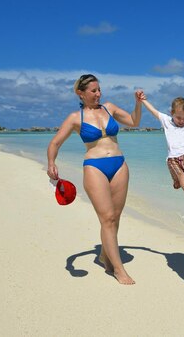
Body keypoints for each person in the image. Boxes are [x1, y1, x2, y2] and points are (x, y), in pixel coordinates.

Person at [47, 74, 144, 285]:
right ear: (80, 93)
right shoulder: (75, 117)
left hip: (119, 165)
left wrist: (138, 104)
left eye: (99, 89)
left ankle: (104, 256)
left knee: (115, 218)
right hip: (94, 167)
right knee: (107, 218)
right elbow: (55, 143)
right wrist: (51, 163)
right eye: (93, 91)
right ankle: (118, 269)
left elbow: (134, 122)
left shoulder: (109, 107)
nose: (98, 94)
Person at [140, 94, 184, 204]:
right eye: (178, 118)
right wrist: (143, 100)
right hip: (172, 158)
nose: (182, 121)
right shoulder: (166, 121)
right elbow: (153, 111)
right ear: (172, 113)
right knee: (181, 176)